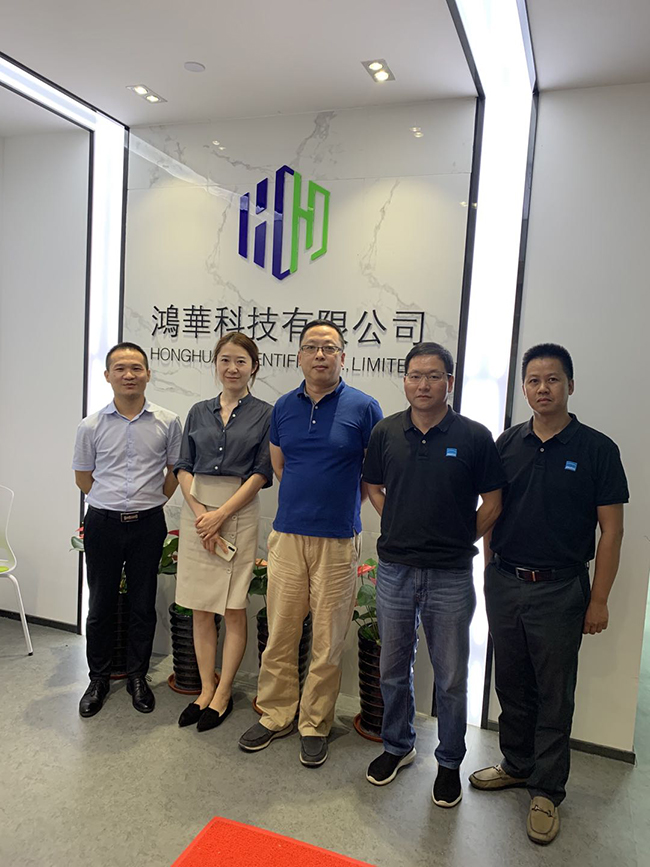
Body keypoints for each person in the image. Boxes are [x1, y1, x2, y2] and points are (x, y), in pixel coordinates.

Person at [470, 343, 628, 845]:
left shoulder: (597, 449)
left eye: (553, 379)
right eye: (534, 381)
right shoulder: (506, 443)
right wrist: (489, 569)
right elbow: (492, 510)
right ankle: (516, 764)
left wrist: (598, 599)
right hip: (506, 582)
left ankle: (546, 790)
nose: (543, 389)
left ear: (570, 386)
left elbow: (612, 531)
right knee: (511, 682)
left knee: (554, 694)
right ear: (524, 388)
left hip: (561, 589)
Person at [362, 342, 505, 807]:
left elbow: (493, 502)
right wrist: (396, 520)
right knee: (391, 668)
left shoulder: (475, 436)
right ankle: (397, 746)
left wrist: (462, 537)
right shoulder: (386, 431)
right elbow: (373, 485)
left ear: (450, 381)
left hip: (450, 575)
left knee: (450, 677)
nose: (423, 384)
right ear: (404, 380)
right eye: (415, 375)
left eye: (433, 376)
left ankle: (448, 762)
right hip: (395, 570)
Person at [238, 319, 383, 766]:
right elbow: (280, 465)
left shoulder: (364, 407)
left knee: (327, 637)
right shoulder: (284, 407)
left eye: (330, 348)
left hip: (338, 541)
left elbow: (371, 474)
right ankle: (276, 713)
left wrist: (339, 507)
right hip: (288, 536)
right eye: (312, 347)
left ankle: (314, 721)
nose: (321, 355)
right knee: (281, 631)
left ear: (343, 357)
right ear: (299, 357)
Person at [73, 342, 182, 717]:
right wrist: (112, 502)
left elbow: (175, 471)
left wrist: (152, 500)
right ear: (108, 376)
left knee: (142, 603)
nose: (129, 375)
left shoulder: (168, 421)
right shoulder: (90, 426)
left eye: (136, 368)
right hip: (102, 523)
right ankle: (98, 679)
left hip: (148, 524)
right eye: (120, 368)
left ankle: (137, 676)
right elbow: (83, 478)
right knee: (100, 604)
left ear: (148, 374)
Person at [173, 333, 273, 731]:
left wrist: (221, 515)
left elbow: (261, 472)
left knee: (233, 608)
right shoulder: (198, 411)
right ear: (216, 364)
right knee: (200, 607)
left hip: (239, 510)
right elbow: (183, 466)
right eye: (225, 360)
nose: (232, 368)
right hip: (197, 510)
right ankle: (205, 689)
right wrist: (202, 514)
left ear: (254, 367)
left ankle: (224, 693)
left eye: (241, 361)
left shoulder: (266, 413)